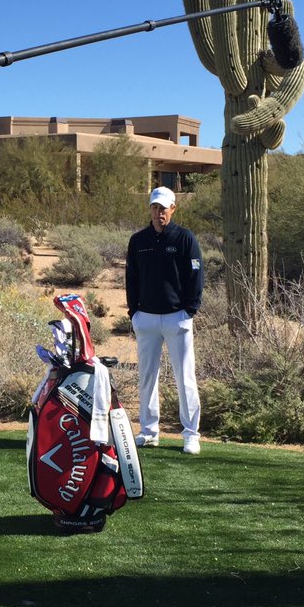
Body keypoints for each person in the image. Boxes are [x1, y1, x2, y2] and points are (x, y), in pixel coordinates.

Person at [125, 186, 203, 454]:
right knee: (147, 377)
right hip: (145, 317)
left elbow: (195, 276)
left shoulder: (184, 238)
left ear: (173, 209)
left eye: (164, 208)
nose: (160, 213)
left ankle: (191, 434)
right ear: (150, 208)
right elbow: (131, 278)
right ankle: (148, 431)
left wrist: (189, 311)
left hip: (176, 317)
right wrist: (133, 313)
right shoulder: (138, 241)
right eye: (155, 207)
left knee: (184, 377)